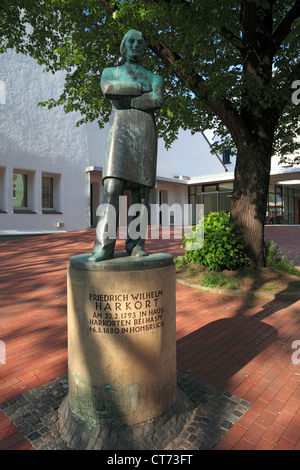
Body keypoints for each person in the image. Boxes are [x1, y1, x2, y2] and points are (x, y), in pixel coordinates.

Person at [88, 30, 164, 261]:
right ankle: (104, 247)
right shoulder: (111, 72)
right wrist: (140, 90)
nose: (136, 45)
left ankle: (136, 246)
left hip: (144, 135)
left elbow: (157, 100)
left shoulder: (155, 78)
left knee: (141, 195)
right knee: (112, 187)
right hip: (119, 134)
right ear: (123, 46)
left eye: (140, 42)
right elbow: (109, 90)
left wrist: (126, 95)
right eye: (131, 41)